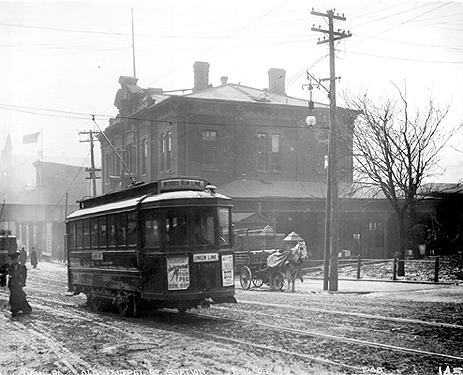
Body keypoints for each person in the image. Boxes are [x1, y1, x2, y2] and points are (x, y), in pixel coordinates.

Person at [7, 250, 32, 317]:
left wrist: (22, 282)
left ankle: (25, 308)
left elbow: (24, 275)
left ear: (17, 259)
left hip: (18, 284)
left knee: (20, 296)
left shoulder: (21, 267)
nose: (14, 261)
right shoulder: (10, 267)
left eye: (15, 259)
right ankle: (14, 309)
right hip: (12, 284)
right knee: (13, 297)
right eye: (13, 259)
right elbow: (9, 275)